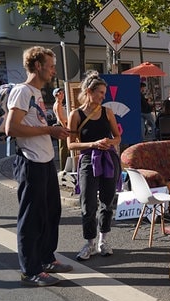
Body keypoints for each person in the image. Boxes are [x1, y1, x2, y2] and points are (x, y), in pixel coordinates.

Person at [5, 46, 72, 286]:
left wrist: (54, 130)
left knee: (50, 214)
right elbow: (11, 128)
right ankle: (30, 270)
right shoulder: (22, 91)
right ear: (37, 66)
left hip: (44, 162)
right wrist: (49, 130)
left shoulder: (37, 93)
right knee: (31, 219)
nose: (54, 70)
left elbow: (35, 124)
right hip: (30, 162)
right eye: (51, 65)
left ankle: (46, 259)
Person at [67, 70, 121, 261]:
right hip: (88, 160)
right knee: (88, 204)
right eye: (100, 93)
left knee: (107, 202)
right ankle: (89, 243)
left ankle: (103, 240)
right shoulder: (76, 114)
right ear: (89, 91)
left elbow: (118, 137)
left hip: (108, 159)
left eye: (104, 94)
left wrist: (110, 142)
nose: (103, 97)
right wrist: (92, 144)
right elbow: (70, 144)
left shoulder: (107, 112)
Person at [53, 88, 69, 170]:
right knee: (63, 147)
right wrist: (65, 127)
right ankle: (63, 167)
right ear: (56, 95)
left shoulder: (60, 104)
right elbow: (60, 118)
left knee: (64, 147)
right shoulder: (58, 104)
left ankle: (65, 165)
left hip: (64, 125)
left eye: (63, 93)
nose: (62, 94)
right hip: (63, 125)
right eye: (60, 93)